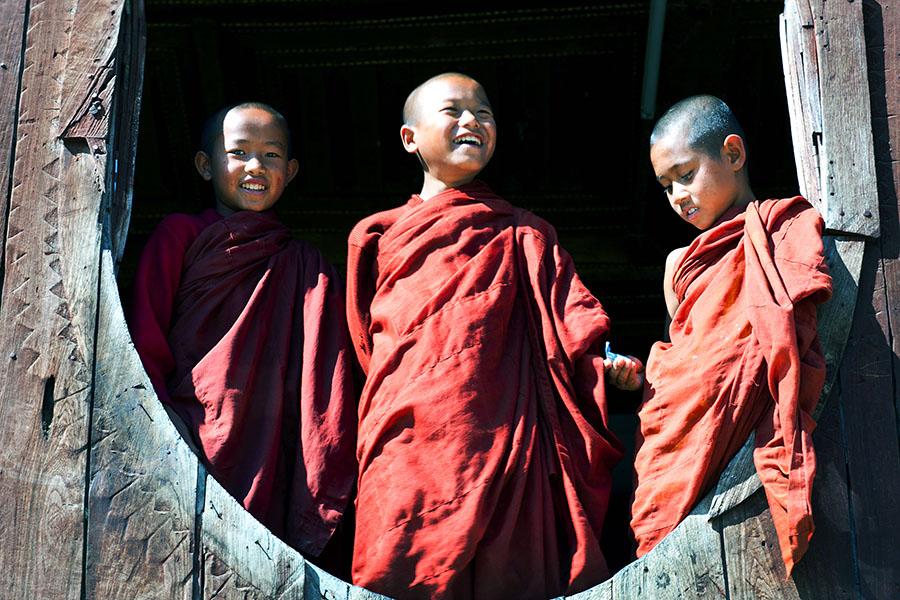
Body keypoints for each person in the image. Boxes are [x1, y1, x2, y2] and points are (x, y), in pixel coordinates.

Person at [345, 72, 643, 599]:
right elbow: (364, 347)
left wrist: (604, 364)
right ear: (409, 138)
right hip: (409, 437)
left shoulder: (525, 233)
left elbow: (571, 327)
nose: (472, 121)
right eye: (453, 111)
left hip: (510, 440)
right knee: (399, 563)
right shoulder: (377, 235)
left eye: (483, 112)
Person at [128, 102, 356, 558]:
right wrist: (160, 423)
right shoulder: (182, 235)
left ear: (290, 171)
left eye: (271, 155)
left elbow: (327, 375)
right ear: (205, 165)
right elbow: (144, 335)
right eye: (239, 153)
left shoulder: (305, 265)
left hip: (272, 443)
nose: (256, 167)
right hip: (188, 429)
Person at [632, 95, 832, 573]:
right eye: (665, 186)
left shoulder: (789, 232)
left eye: (685, 175)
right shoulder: (678, 264)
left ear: (734, 154)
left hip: (746, 441)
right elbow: (687, 361)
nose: (678, 196)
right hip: (680, 438)